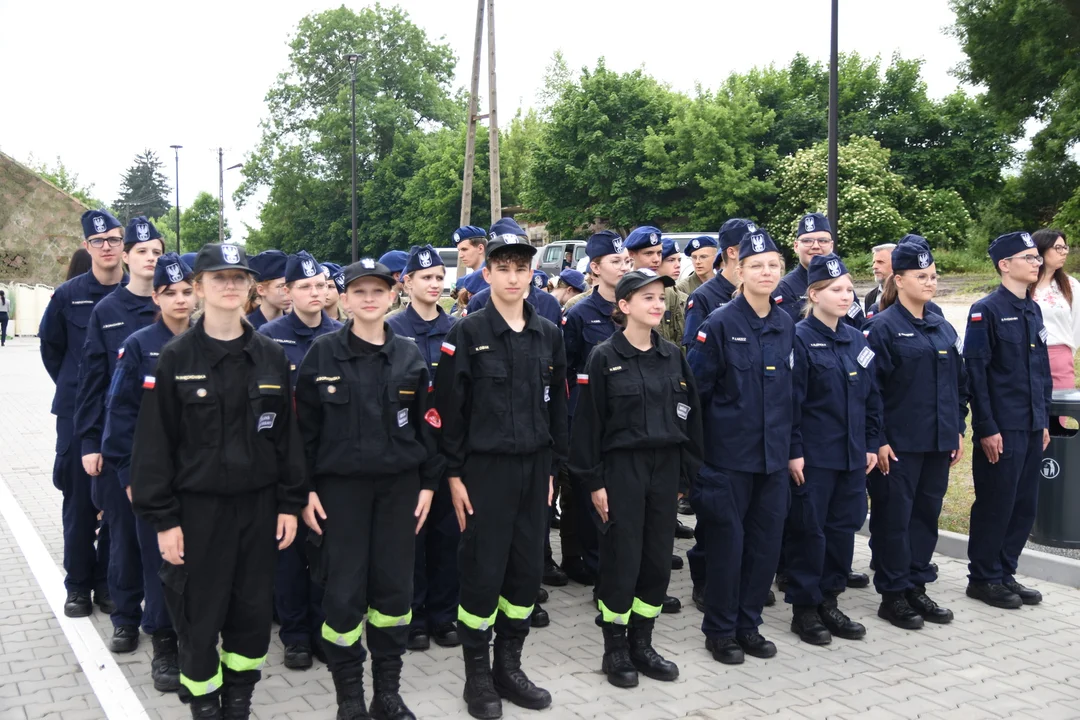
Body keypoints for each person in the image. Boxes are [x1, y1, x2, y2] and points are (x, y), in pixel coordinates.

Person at [130, 243, 305, 719]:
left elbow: (286, 441)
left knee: (250, 618)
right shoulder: (174, 358)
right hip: (197, 512)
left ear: (251, 286)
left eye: (238, 277)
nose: (229, 285)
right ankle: (205, 705)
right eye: (218, 277)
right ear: (201, 286)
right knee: (199, 618)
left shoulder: (270, 356)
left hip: (259, 509)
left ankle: (239, 703)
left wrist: (290, 505)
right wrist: (164, 520)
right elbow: (153, 448)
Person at [295, 258, 443, 720]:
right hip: (341, 494)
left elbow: (428, 425)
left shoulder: (408, 355)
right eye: (359, 292)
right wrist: (305, 490)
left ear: (391, 295)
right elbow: (302, 433)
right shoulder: (322, 353)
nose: (369, 299)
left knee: (394, 595)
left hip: (399, 491)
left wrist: (428, 485)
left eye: (377, 291)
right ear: (344, 298)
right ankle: (350, 698)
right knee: (341, 596)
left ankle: (387, 692)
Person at [433, 235, 568, 719]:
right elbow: (449, 410)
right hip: (483, 470)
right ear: (485, 275)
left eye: (521, 268)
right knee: (483, 570)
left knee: (526, 572)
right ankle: (476, 675)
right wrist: (452, 474)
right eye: (503, 268)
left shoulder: (549, 334)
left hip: (535, 469)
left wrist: (554, 468)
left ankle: (509, 666)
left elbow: (559, 408)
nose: (513, 277)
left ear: (532, 274)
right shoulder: (466, 333)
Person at [570, 268, 703, 688]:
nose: (657, 304)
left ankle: (643, 643)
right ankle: (615, 649)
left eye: (660, 298)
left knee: (656, 561)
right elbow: (587, 425)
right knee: (621, 561)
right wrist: (595, 483)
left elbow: (692, 418)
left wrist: (686, 474)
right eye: (646, 298)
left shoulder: (672, 355)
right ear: (624, 306)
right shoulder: (604, 357)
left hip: (664, 469)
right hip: (621, 470)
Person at [687, 229, 794, 665]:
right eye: (756, 266)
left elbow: (794, 395)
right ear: (739, 273)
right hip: (728, 460)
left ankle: (748, 625)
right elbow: (695, 396)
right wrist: (698, 463)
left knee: (764, 547)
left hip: (772, 460)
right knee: (727, 548)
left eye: (773, 265)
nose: (766, 272)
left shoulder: (787, 324)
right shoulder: (719, 324)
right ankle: (720, 631)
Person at [863, 237, 967, 631]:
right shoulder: (881, 328)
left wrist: (957, 428)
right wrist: (880, 439)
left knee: (926, 516)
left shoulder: (941, 327)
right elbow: (870, 392)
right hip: (899, 446)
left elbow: (961, 384)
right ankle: (892, 595)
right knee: (895, 519)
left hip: (937, 442)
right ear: (899, 279)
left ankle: (916, 584)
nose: (930, 283)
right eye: (921, 276)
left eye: (934, 276)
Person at [101, 252, 195, 691]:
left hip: (201, 478)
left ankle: (196, 644)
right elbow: (119, 414)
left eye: (186, 291)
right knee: (161, 565)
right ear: (155, 296)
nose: (180, 299)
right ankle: (164, 648)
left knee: (200, 566)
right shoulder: (139, 344)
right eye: (170, 292)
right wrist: (128, 476)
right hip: (153, 479)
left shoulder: (209, 340)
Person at [76, 216, 165, 653]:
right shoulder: (106, 311)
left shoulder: (175, 308)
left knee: (162, 541)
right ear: (126, 256)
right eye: (143, 252)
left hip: (167, 451)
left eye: (157, 252)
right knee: (123, 541)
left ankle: (160, 621)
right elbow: (91, 381)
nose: (151, 258)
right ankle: (125, 619)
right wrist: (90, 444)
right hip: (120, 446)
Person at [785, 254, 881, 646]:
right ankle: (805, 609)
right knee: (811, 531)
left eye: (848, 289)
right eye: (836, 290)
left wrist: (872, 443)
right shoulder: (797, 338)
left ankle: (830, 599)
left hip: (852, 456)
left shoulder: (855, 338)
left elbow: (872, 398)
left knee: (843, 530)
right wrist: (794, 450)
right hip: (815, 456)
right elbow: (790, 402)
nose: (846, 296)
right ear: (814, 294)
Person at [40, 208, 127, 618]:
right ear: (87, 247)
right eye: (98, 241)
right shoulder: (67, 295)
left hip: (124, 417)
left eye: (113, 239)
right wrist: (76, 389)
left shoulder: (137, 295)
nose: (106, 247)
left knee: (115, 504)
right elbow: (51, 349)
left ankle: (107, 584)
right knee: (78, 503)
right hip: (78, 417)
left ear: (123, 244)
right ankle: (77, 585)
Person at [259, 251, 342, 670]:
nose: (315, 292)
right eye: (305, 286)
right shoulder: (269, 338)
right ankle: (294, 636)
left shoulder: (340, 336)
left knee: (327, 554)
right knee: (288, 553)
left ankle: (323, 631)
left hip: (329, 461)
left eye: (321, 285)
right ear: (287, 292)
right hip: (282, 463)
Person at [964, 232, 1053, 609]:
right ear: (1005, 265)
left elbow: (1040, 370)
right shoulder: (986, 310)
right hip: (1003, 425)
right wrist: (987, 427)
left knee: (1023, 505)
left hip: (1032, 423)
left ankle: (1005, 571)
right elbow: (977, 374)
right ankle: (983, 577)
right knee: (996, 502)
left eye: (1037, 257)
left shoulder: (1032, 308)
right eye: (1029, 257)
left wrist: (1044, 419)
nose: (1037, 263)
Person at [386, 245, 462, 653]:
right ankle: (413, 617)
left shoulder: (456, 328)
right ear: (407, 282)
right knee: (411, 537)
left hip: (447, 446)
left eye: (438, 277)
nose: (434, 284)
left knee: (447, 535)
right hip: (408, 446)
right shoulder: (392, 329)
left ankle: (443, 614)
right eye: (426, 278)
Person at [562, 231, 629, 588]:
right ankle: (589, 560)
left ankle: (618, 563)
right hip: (586, 417)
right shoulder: (579, 313)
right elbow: (565, 368)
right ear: (595, 267)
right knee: (587, 493)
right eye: (615, 261)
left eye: (625, 260)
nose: (622, 266)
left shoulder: (633, 306)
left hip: (625, 418)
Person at [775, 213, 864, 329]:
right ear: (796, 246)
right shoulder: (784, 288)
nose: (816, 246)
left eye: (823, 241)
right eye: (807, 241)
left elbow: (859, 324)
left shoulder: (843, 282)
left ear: (831, 246)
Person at [682, 219, 755, 349]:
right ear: (731, 252)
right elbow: (695, 354)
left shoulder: (756, 292)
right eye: (750, 247)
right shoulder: (702, 297)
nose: (756, 253)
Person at [1032, 229, 1080, 391]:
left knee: (1059, 412)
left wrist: (1066, 353)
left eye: (1065, 247)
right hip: (1026, 358)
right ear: (1041, 250)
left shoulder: (1071, 285)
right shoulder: (1024, 284)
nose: (1064, 252)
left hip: (1060, 357)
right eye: (1058, 248)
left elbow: (1077, 325)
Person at [624, 226, 686, 347]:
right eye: (649, 253)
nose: (656, 259)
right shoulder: (621, 290)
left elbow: (679, 338)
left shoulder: (669, 293)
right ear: (631, 255)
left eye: (659, 253)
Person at [245, 250, 290, 329]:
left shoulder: (296, 324)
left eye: (289, 285)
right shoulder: (245, 328)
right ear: (261, 290)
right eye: (281, 286)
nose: (288, 291)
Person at [864, 243, 896, 310]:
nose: (874, 267)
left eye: (880, 262)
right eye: (874, 262)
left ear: (895, 263)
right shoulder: (870, 297)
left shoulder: (906, 295)